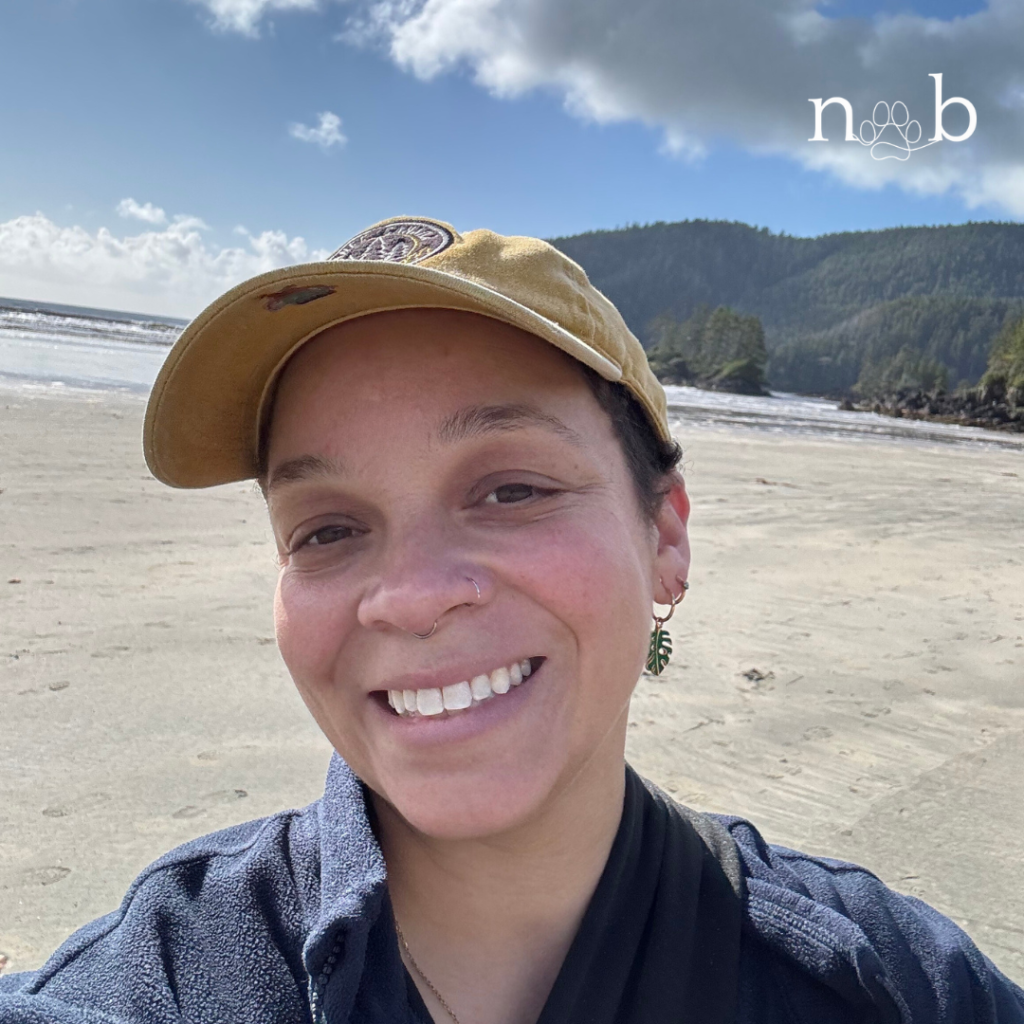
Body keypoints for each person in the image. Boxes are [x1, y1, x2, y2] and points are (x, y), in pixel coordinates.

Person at [1, 215, 1021, 1024]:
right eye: (326, 529)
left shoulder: (881, 980)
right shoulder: (177, 970)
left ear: (664, 532)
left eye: (511, 490)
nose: (409, 594)